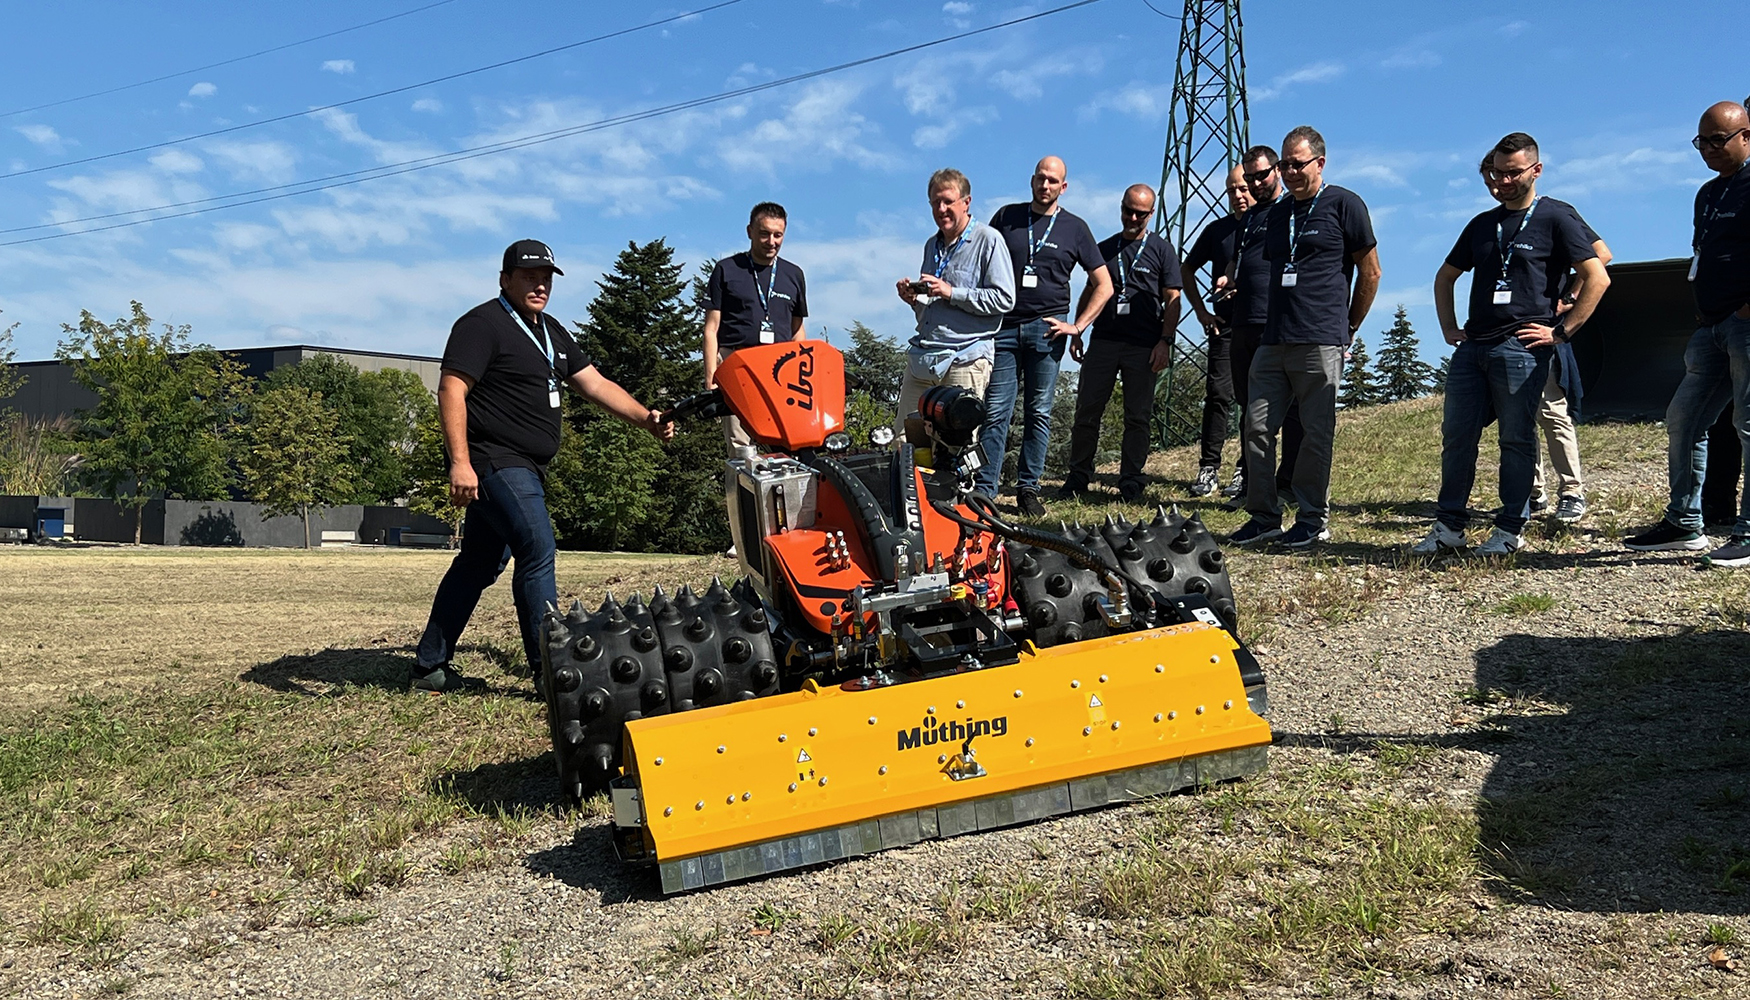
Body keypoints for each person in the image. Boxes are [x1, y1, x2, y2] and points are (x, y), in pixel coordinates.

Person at [412, 240, 676, 693]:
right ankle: (551, 673)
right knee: (537, 548)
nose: (539, 285)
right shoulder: (482, 325)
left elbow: (594, 383)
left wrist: (646, 419)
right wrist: (460, 462)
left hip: (527, 466)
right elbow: (451, 389)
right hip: (494, 460)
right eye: (529, 276)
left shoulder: (550, 331)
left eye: (546, 277)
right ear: (505, 279)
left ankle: (428, 667)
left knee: (478, 562)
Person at [1417, 133, 1609, 556]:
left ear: (1535, 170)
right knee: (1457, 436)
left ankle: (1509, 529)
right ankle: (1449, 526)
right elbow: (1445, 276)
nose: (1501, 181)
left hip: (1522, 347)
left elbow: (1599, 274)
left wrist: (1561, 331)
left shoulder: (1556, 217)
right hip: (1474, 347)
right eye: (1495, 173)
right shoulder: (1482, 225)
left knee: (1517, 438)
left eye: (1511, 173)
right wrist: (1449, 327)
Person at [1230, 126, 1381, 548]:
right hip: (1273, 337)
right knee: (1256, 427)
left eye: (1299, 164)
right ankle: (1263, 517)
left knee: (1316, 432)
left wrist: (1347, 329)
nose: (1291, 172)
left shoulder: (1344, 204)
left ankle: (1313, 519)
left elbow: (1370, 272)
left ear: (1320, 162)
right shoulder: (1275, 214)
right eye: (1285, 165)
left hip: (1320, 338)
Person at [1624, 101, 1750, 564]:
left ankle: (1747, 532)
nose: (1711, 149)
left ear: (1747, 137)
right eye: (1703, 142)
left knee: (1748, 425)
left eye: (1720, 140)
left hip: (1744, 326)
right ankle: (1684, 522)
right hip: (1711, 327)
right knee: (1684, 418)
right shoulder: (1708, 194)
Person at [974, 156, 1111, 515]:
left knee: (1038, 413)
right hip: (1003, 327)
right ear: (1031, 180)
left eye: (1053, 180)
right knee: (996, 411)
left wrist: (1078, 326)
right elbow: (979, 262)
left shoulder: (1075, 228)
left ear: (1063, 187)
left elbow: (1104, 285)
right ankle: (985, 489)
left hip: (1048, 332)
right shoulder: (1007, 217)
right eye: (1040, 178)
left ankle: (1028, 490)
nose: (1045, 185)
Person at [1061, 185, 1183, 501]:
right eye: (1127, 210)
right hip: (1104, 341)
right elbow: (1090, 291)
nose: (1132, 217)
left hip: (1144, 345)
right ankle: (1078, 476)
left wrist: (1165, 342)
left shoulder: (1162, 250)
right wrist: (1077, 330)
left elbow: (1173, 297)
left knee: (1137, 415)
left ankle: (1131, 479)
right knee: (1087, 409)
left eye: (1140, 213)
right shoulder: (1103, 248)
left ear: (1151, 214)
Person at [896, 168, 1015, 433]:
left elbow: (1005, 299)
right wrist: (914, 300)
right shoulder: (931, 246)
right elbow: (934, 309)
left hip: (965, 358)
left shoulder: (988, 240)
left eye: (948, 201)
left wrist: (952, 292)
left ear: (966, 202)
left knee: (954, 449)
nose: (941, 209)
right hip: (923, 359)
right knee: (905, 442)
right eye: (935, 202)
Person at [1217, 145, 1302, 509]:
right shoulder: (1249, 218)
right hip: (1243, 323)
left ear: (1278, 171)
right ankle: (1253, 485)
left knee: (1292, 410)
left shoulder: (1291, 210)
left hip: (1279, 324)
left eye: (1261, 176)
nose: (1253, 184)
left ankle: (1289, 485)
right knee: (1250, 411)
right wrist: (1230, 277)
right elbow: (1241, 255)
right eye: (1248, 178)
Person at [703, 202, 809, 450]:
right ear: (750, 231)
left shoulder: (794, 274)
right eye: (764, 233)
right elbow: (711, 329)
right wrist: (710, 377)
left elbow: (797, 331)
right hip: (737, 366)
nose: (771, 241)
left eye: (778, 235)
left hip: (782, 370)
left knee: (787, 444)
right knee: (741, 448)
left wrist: (805, 377)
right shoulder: (726, 270)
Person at [1180, 165, 1252, 497]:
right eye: (1232, 190)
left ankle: (1246, 470)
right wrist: (1201, 311)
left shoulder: (1272, 223)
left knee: (1253, 400)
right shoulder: (1217, 230)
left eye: (1244, 188)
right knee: (1218, 395)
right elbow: (1187, 269)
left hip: (1260, 325)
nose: (1239, 195)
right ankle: (1208, 468)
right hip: (1224, 327)